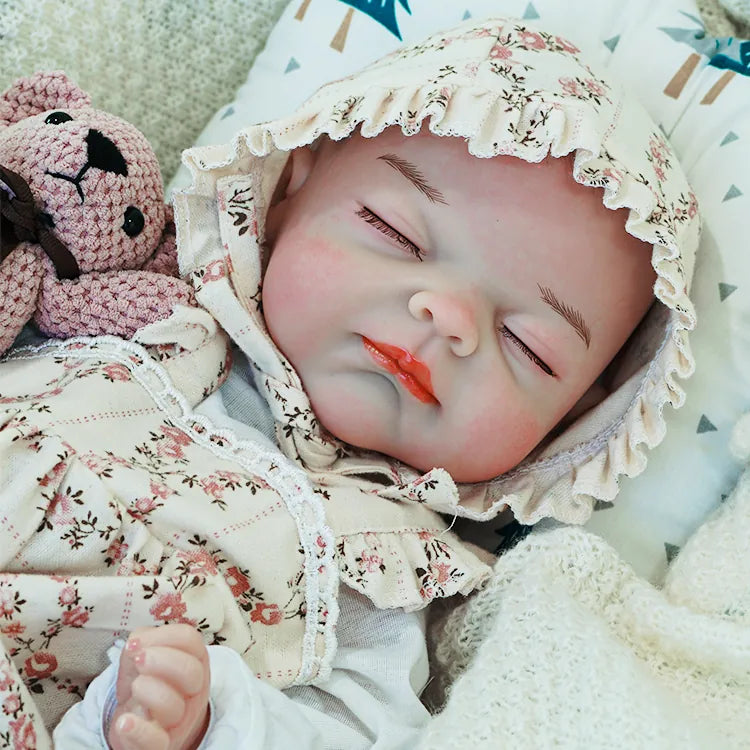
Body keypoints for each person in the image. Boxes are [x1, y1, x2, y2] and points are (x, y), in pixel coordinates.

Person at [1, 17, 698, 750]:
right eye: (397, 234)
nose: (448, 316)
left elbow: (359, 731)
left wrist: (212, 721)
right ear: (287, 191)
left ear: (578, 425)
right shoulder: (128, 296)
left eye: (529, 346)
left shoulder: (387, 568)